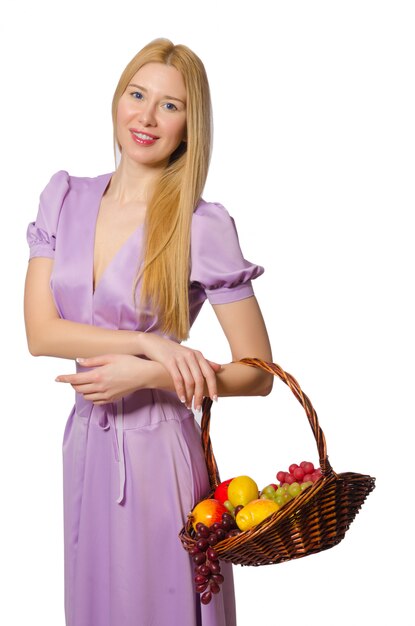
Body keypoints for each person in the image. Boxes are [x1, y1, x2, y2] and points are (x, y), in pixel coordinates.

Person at [24, 37, 273, 626]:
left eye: (170, 105)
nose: (147, 116)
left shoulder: (199, 224)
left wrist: (155, 373)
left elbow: (258, 373)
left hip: (160, 450)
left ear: (190, 126)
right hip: (86, 446)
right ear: (118, 100)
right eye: (138, 94)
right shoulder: (64, 197)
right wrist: (145, 341)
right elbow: (41, 333)